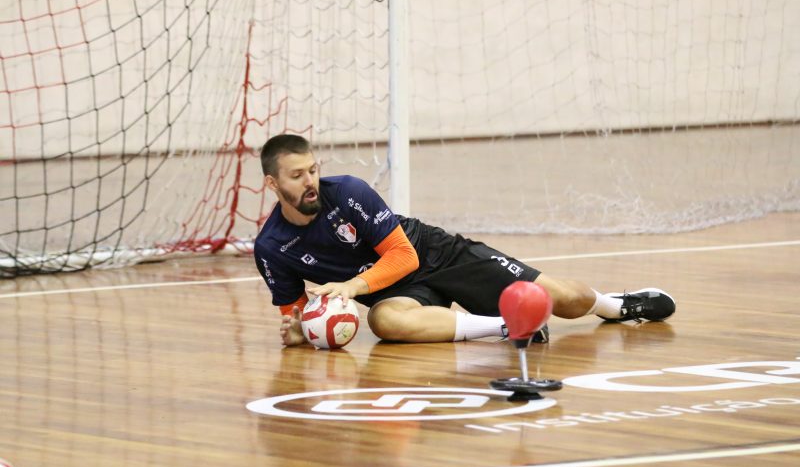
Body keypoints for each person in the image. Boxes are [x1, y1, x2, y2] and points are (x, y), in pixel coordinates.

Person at [254, 135, 676, 347]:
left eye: (312, 169)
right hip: (401, 295)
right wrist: (300, 333)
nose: (310, 181)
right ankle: (510, 326)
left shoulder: (346, 192)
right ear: (272, 183)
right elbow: (295, 309)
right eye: (297, 175)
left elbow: (402, 257)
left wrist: (350, 287)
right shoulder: (271, 247)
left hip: (436, 255)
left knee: (568, 299)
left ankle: (619, 306)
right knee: (384, 323)